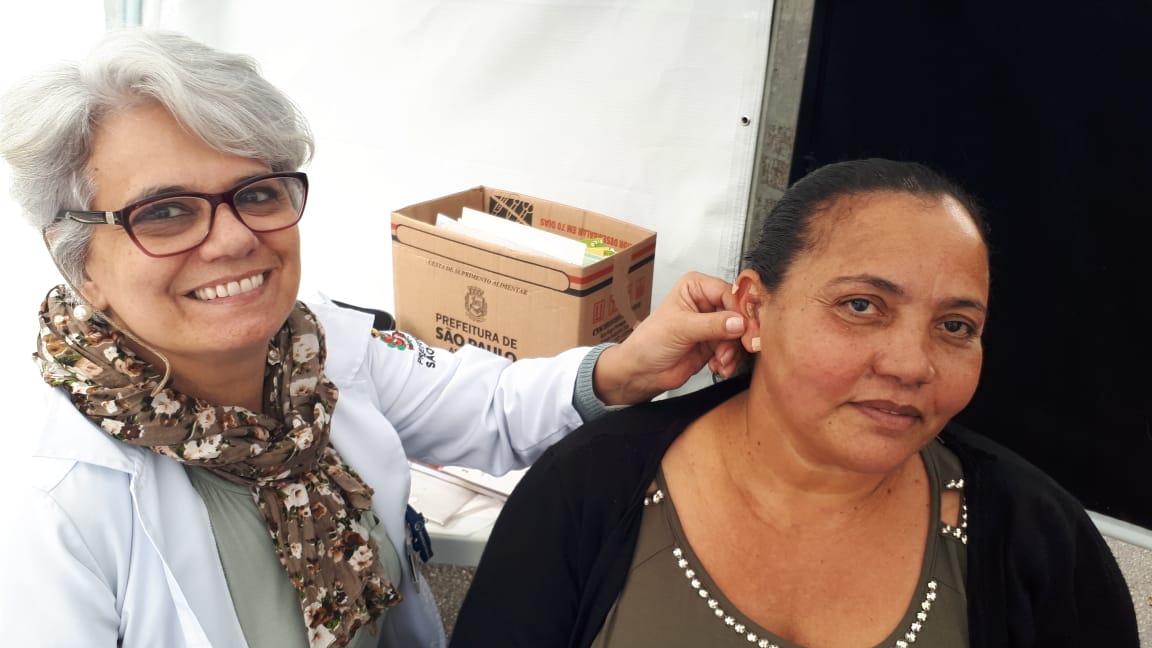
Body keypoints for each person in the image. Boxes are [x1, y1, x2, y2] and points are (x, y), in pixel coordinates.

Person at [0, 29, 748, 648]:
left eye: (257, 194)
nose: (231, 240)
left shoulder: (311, 348)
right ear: (78, 261)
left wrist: (625, 367)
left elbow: (485, 406)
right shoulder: (49, 504)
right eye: (164, 212)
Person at [450, 158, 1140, 647]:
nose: (911, 364)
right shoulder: (589, 490)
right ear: (753, 308)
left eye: (956, 327)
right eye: (861, 306)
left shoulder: (1039, 540)